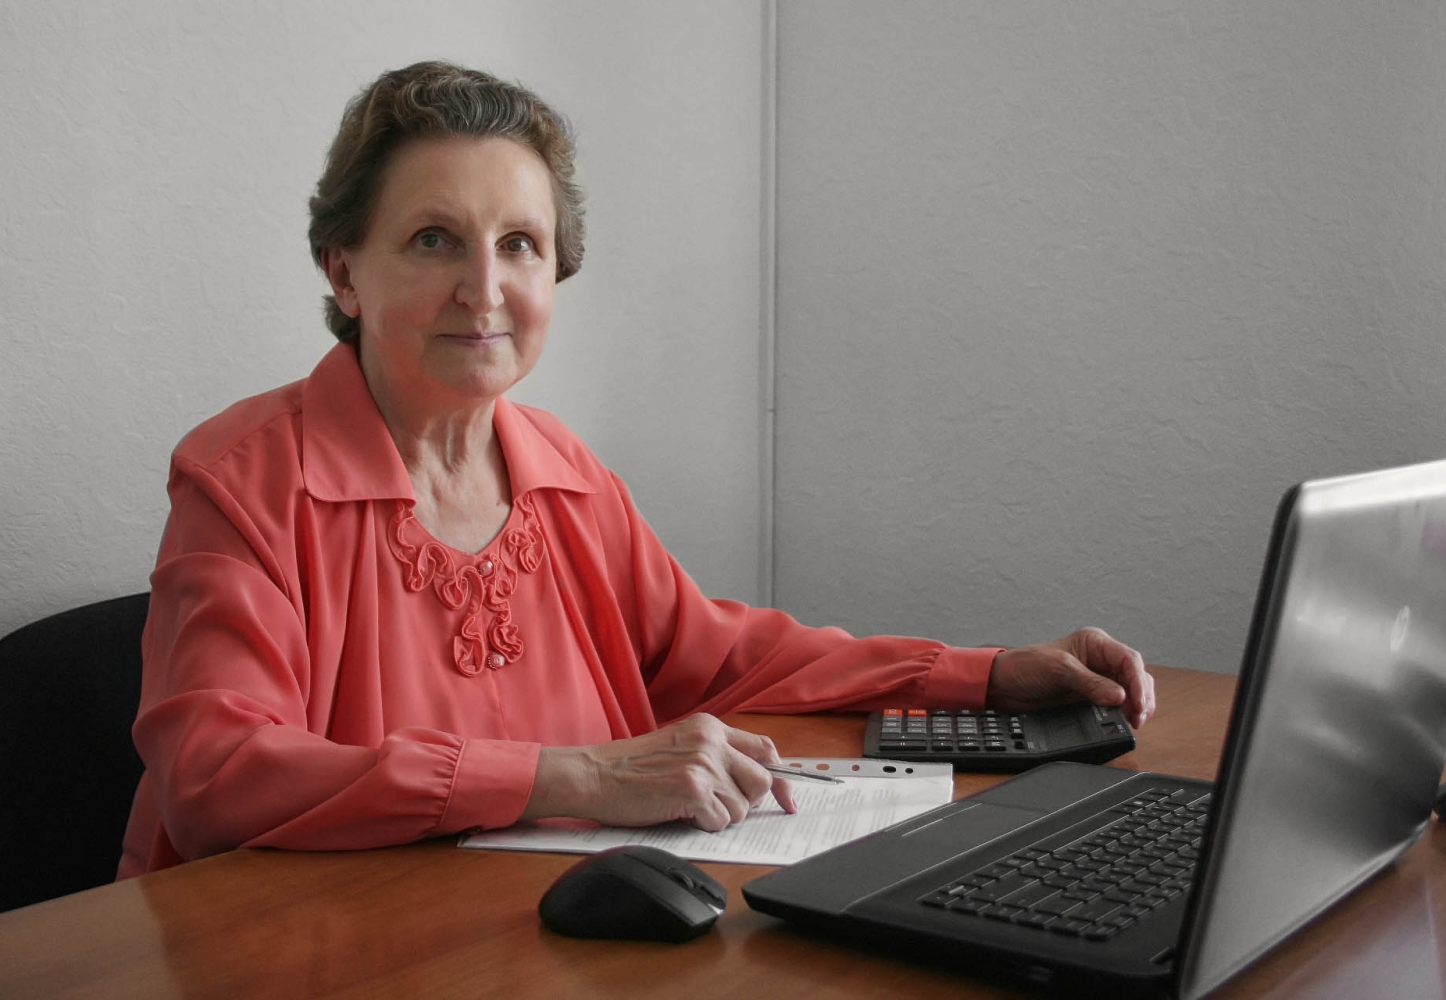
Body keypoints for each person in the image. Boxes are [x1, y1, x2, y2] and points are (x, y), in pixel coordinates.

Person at [117, 62, 1154, 879]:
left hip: (540, 934)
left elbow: (726, 656)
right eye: (435, 239)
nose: (485, 288)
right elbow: (216, 776)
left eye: (520, 245)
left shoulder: (563, 471)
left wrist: (986, 673)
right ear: (343, 269)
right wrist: (577, 776)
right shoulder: (244, 481)